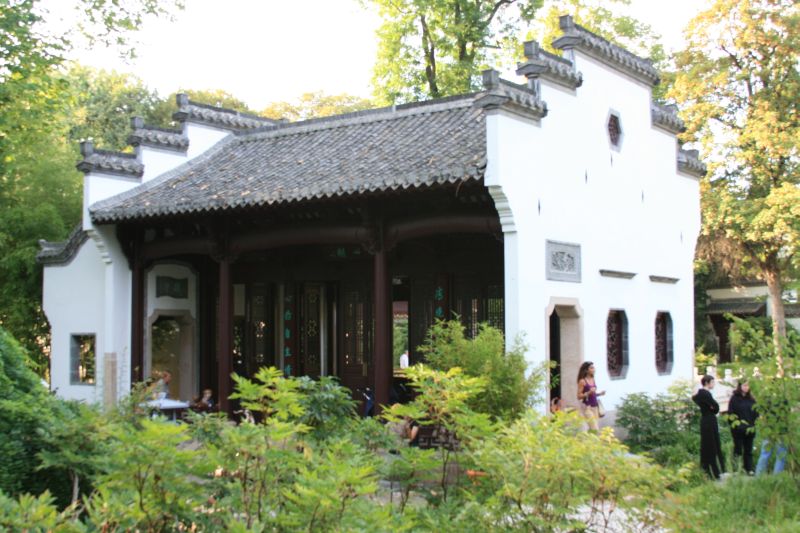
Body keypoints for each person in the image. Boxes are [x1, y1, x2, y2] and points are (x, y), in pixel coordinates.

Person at [692, 375, 725, 479]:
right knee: (712, 445)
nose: (713, 384)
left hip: (705, 420)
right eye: (712, 382)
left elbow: (695, 399)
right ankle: (714, 471)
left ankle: (706, 469)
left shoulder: (700, 394)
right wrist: (712, 407)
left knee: (706, 445)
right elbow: (716, 408)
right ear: (707, 383)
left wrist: (712, 407)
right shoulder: (706, 394)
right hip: (709, 421)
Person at [727, 380, 758, 474]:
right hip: (738, 429)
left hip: (750, 428)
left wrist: (754, 423)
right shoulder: (734, 398)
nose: (746, 387)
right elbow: (730, 413)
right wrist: (736, 425)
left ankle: (749, 469)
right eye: (744, 385)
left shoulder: (751, 399)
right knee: (738, 449)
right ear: (740, 386)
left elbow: (756, 413)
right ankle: (736, 469)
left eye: (748, 386)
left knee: (748, 450)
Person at [577, 361, 605, 432]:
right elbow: (578, 396)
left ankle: (587, 442)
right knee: (595, 429)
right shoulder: (582, 381)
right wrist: (588, 392)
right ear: (586, 370)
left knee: (592, 429)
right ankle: (594, 442)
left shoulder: (593, 379)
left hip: (595, 407)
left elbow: (593, 394)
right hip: (587, 408)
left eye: (593, 368)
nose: (594, 369)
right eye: (591, 368)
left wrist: (599, 394)